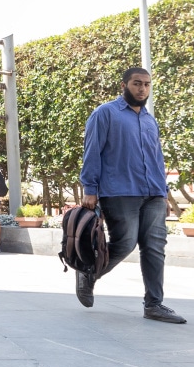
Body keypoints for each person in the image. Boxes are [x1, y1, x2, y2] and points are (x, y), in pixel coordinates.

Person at [78, 67, 186, 324]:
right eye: (137, 84)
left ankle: (154, 305)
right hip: (120, 191)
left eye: (147, 84)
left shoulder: (149, 120)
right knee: (125, 243)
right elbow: (92, 151)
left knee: (155, 247)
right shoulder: (105, 113)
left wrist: (164, 193)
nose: (142, 89)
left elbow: (156, 159)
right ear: (124, 85)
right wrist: (90, 188)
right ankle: (88, 272)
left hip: (153, 193)